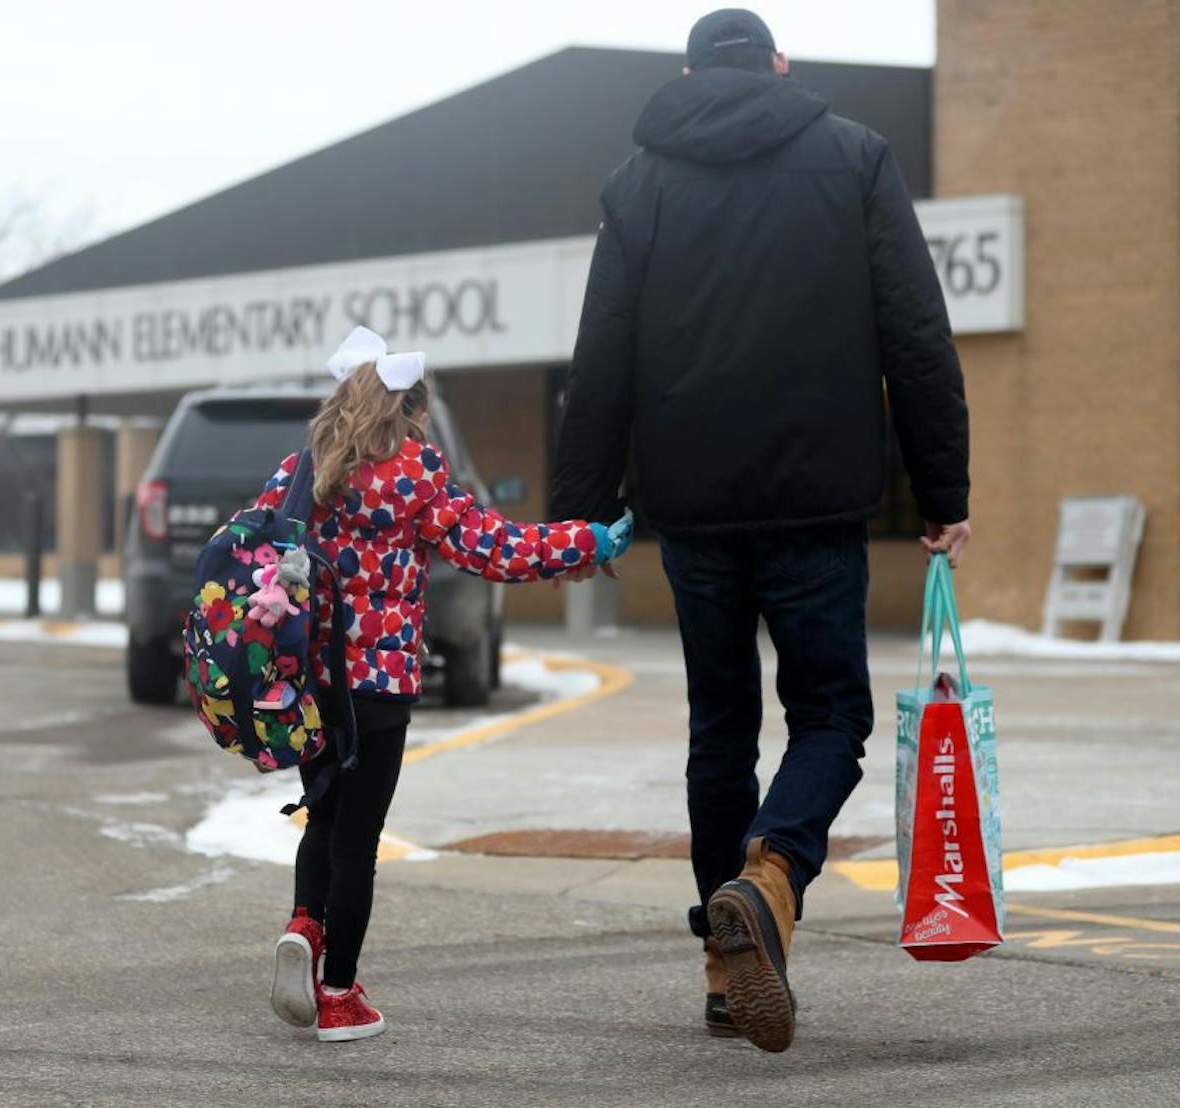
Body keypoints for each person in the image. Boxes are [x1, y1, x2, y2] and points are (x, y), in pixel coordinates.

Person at [549, 9, 971, 1053]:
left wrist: (576, 508)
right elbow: (914, 330)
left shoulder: (637, 182)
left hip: (690, 506)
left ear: (688, 72)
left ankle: (716, 963)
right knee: (830, 715)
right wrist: (940, 484)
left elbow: (599, 353)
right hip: (816, 497)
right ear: (780, 66)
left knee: (718, 727)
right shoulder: (852, 157)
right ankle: (772, 873)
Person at [261, 326, 632, 1043]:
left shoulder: (301, 469)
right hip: (378, 690)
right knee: (358, 844)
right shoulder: (414, 473)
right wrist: (588, 540)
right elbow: (495, 550)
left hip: (310, 682)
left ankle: (305, 927)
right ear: (408, 410)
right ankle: (338, 996)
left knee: (324, 819)